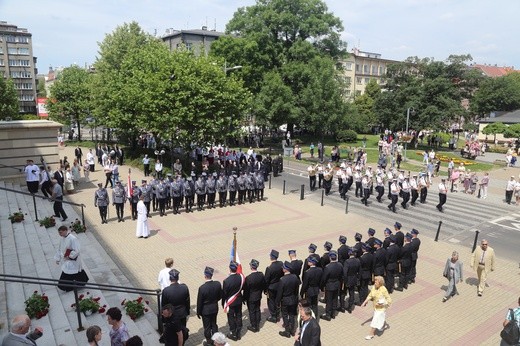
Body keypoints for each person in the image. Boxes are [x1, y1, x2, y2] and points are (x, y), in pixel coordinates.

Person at [54, 225, 88, 291]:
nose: (60, 234)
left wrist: (69, 256)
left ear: (65, 231)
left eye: (61, 232)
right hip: (66, 259)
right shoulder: (62, 238)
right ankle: (82, 282)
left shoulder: (73, 239)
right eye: (59, 233)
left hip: (72, 259)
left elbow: (77, 250)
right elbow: (59, 248)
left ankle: (66, 286)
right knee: (75, 272)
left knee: (69, 272)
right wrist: (57, 258)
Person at [197, 267, 222, 346]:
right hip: (214, 308)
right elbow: (220, 296)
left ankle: (208, 342)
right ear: (211, 275)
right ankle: (216, 341)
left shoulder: (202, 288)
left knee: (207, 326)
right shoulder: (217, 284)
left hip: (205, 310)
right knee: (214, 324)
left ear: (205, 275)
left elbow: (199, 302)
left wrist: (198, 312)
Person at [362, 275, 392, 340]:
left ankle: (371, 334)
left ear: (380, 283)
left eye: (376, 282)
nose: (374, 283)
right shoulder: (374, 287)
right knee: (380, 318)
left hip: (381, 309)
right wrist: (365, 302)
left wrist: (384, 303)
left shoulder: (384, 289)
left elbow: (389, 299)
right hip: (376, 307)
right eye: (375, 281)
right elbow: (370, 295)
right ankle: (383, 326)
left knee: (374, 321)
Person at [276, 261, 300, 338]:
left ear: (286, 269)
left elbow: (280, 293)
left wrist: (277, 302)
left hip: (285, 300)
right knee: (292, 315)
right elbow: (297, 289)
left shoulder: (282, 279)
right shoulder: (295, 277)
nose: (282, 268)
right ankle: (292, 330)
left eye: (283, 268)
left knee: (285, 315)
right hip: (293, 299)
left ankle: (287, 331)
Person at [222, 261, 243, 341]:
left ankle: (233, 333)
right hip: (239, 300)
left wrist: (223, 304)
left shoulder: (226, 281)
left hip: (231, 302)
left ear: (229, 268)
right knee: (239, 315)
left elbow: (224, 294)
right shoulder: (240, 277)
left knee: (231, 317)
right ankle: (238, 332)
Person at [243, 259, 266, 333]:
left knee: (252, 311)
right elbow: (264, 285)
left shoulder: (248, 278)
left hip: (251, 297)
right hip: (258, 295)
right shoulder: (261, 275)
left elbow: (246, 290)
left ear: (251, 267)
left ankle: (253, 326)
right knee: (257, 309)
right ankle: (258, 324)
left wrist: (244, 298)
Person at [265, 249, 283, 323]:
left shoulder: (269, 268)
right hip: (279, 285)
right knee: (277, 300)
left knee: (271, 302)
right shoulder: (281, 263)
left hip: (271, 287)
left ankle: (273, 316)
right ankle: (278, 314)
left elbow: (266, 280)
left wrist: (265, 289)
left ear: (271, 257)